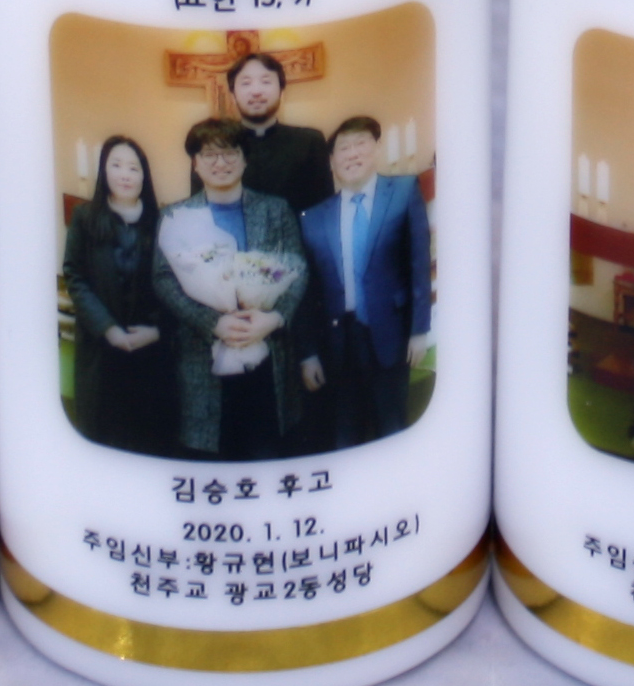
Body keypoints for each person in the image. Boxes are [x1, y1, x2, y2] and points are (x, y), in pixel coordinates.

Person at [151, 118, 307, 461]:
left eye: (229, 153)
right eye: (209, 154)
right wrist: (213, 323)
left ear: (245, 159)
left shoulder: (275, 210)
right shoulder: (175, 216)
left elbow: (297, 268)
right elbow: (163, 279)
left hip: (267, 353)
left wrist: (275, 318)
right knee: (212, 457)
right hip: (202, 355)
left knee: (265, 452)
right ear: (195, 163)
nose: (220, 163)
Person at [292, 115, 429, 450]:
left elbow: (418, 263)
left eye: (360, 144)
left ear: (376, 149)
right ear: (332, 161)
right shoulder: (312, 217)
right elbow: (307, 293)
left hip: (390, 334)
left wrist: (419, 330)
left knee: (392, 429)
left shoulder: (403, 191)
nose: (352, 154)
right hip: (337, 342)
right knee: (344, 435)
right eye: (343, 148)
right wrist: (308, 354)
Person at [62, 134, 179, 457]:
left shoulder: (162, 222)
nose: (125, 174)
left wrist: (158, 331)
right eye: (116, 165)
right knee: (102, 440)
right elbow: (75, 276)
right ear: (104, 171)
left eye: (134, 167)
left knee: (149, 441)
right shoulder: (85, 218)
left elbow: (177, 284)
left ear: (144, 175)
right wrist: (109, 329)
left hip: (151, 352)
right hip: (101, 349)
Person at [221, 51, 335, 216]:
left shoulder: (309, 142)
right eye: (246, 83)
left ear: (282, 91)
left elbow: (324, 210)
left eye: (266, 81)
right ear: (233, 95)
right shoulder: (215, 146)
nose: (256, 91)